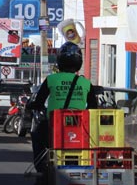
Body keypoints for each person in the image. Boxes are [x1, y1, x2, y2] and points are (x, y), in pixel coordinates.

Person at [26, 42, 98, 172]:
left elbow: (39, 102)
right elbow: (93, 107)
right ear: (79, 62)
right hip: (80, 128)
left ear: (60, 61)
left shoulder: (51, 79)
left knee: (36, 134)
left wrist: (31, 105)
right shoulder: (86, 83)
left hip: (54, 126)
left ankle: (41, 167)